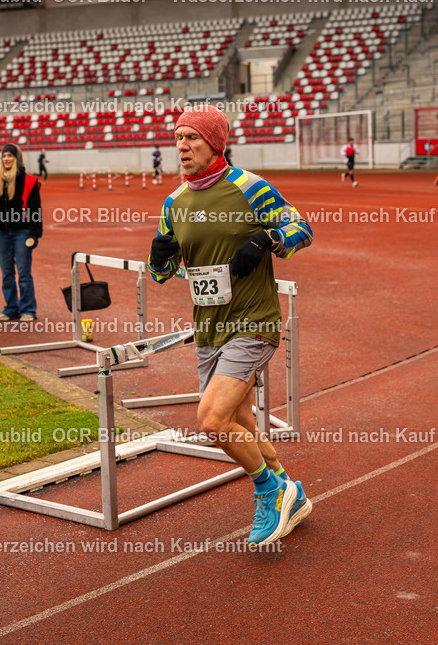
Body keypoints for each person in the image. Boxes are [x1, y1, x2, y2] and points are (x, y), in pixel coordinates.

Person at [147, 104, 314, 547]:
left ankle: (269, 492)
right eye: (178, 138)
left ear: (215, 143)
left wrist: (266, 239)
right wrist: (160, 256)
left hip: (253, 321)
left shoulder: (249, 187)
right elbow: (162, 272)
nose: (182, 146)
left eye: (192, 138)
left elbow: (301, 227)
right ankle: (290, 491)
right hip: (209, 328)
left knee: (213, 420)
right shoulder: (175, 201)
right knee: (241, 420)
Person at [0, 144, 42, 322]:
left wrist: (35, 234)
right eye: (4, 156)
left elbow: (35, 209)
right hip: (2, 233)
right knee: (7, 273)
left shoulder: (29, 181)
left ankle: (28, 310)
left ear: (17, 158)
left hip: (22, 233)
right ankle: (11, 308)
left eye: (10, 156)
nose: (6, 159)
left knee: (24, 273)